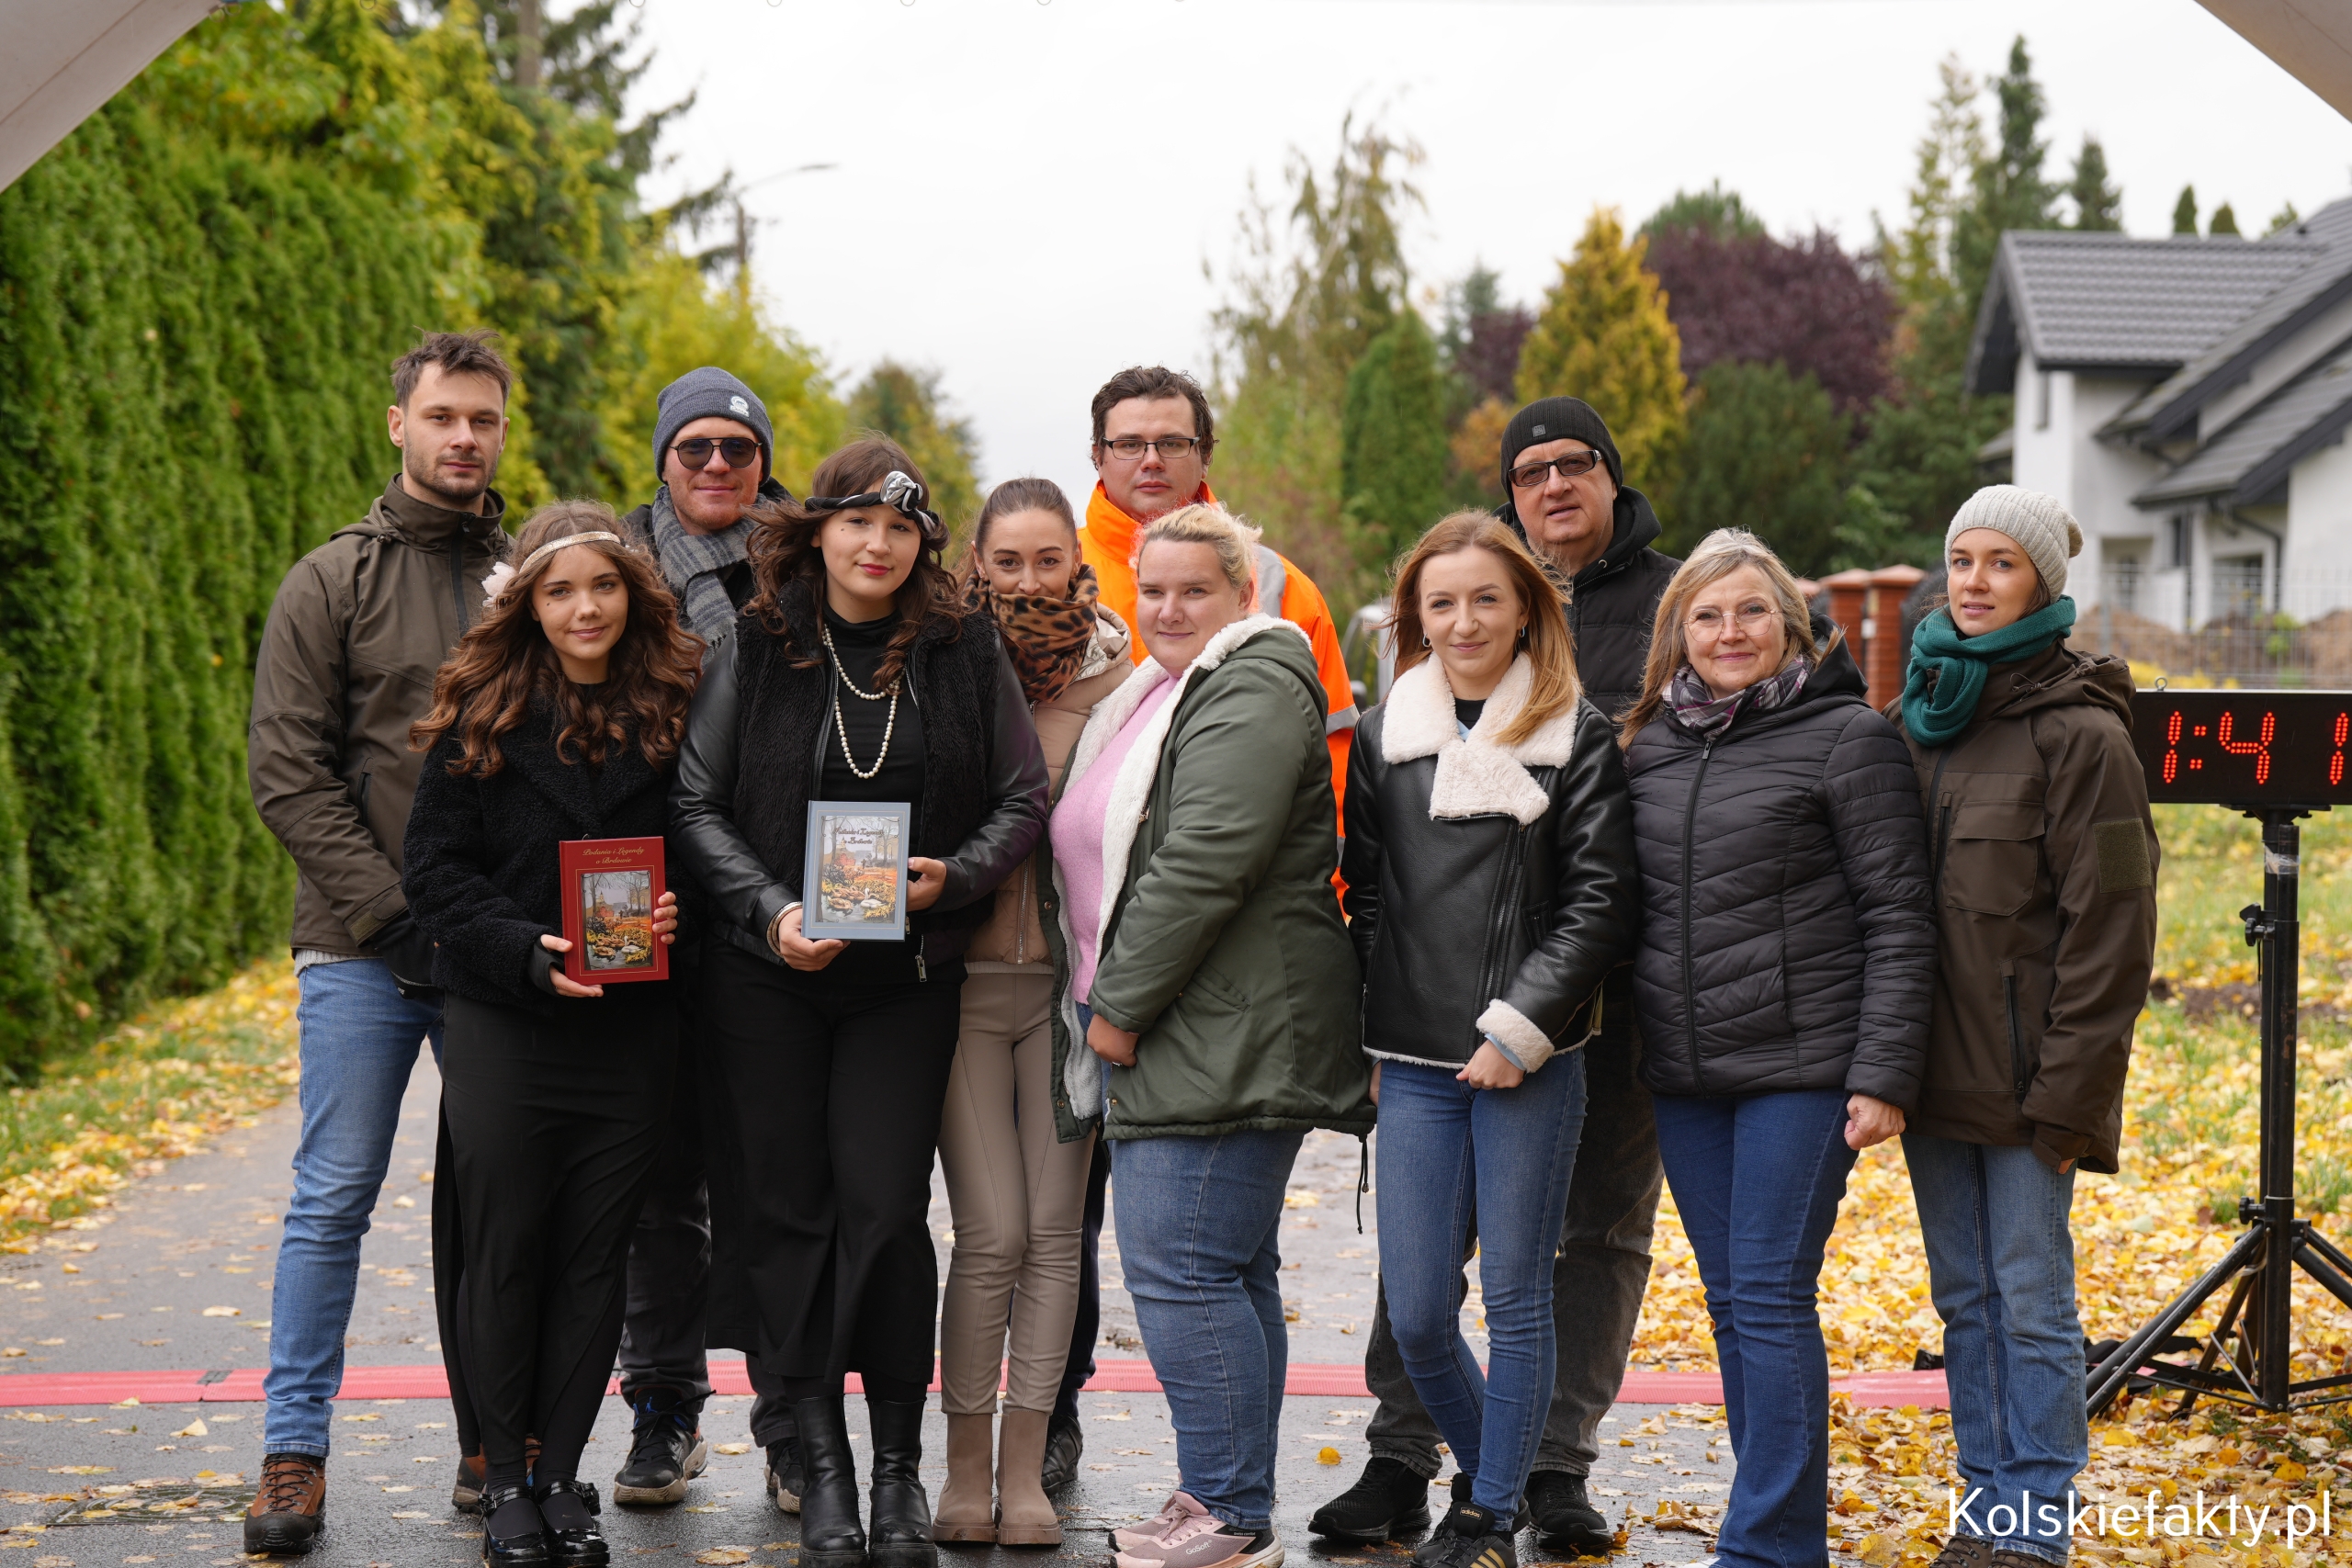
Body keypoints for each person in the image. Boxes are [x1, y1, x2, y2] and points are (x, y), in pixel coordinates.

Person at [670, 438, 1048, 1568]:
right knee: (788, 1215)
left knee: (884, 1214)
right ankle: (820, 1463)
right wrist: (771, 911)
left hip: (905, 981)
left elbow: (1021, 797)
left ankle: (896, 1469)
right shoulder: (758, 641)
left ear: (923, 543)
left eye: (900, 528)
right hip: (768, 980)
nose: (877, 545)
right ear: (818, 530)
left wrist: (955, 878)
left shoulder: (962, 648)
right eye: (856, 523)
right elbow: (696, 803)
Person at [1314, 397, 1678, 1554]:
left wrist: (1524, 1022)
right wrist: (1374, 1033)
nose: (1464, 619)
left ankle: (1501, 1499)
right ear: (1415, 617)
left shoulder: (1591, 715)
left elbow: (1600, 896)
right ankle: (1473, 1469)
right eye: (1442, 602)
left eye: (1486, 599)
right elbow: (1368, 894)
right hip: (1418, 1051)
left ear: (1524, 607)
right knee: (1422, 1302)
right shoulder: (1388, 735)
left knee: (1540, 1279)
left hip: (1548, 1041)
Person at [1050, 364, 1360, 1492]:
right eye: (1127, 440)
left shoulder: (1263, 639)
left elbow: (1212, 853)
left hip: (1200, 1009)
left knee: (1182, 1267)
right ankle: (1223, 1497)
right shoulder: (1074, 583)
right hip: (1146, 1002)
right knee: (1208, 1265)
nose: (1148, 459)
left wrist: (1119, 1011)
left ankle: (1226, 1505)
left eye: (1170, 440)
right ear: (1097, 456)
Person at [243, 330, 514, 1556]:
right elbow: (289, 775)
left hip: (494, 950)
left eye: (483, 419)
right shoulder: (329, 580)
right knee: (333, 1195)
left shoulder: (529, 575)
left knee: (500, 1199)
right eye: (443, 415)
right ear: (398, 423)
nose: (464, 437)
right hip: (361, 948)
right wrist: (397, 915)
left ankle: (495, 1440)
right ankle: (292, 1452)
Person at [1619, 528, 1936, 1568]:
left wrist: (1883, 1075)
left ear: (1792, 625)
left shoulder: (1848, 736)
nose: (1730, 632)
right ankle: (1781, 1532)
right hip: (1688, 1071)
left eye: (1751, 610)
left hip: (1804, 1066)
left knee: (1766, 1292)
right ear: (1678, 634)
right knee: (1731, 1301)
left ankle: (1763, 1547)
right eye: (1706, 615)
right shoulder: (1650, 744)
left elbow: (1900, 915)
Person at [402, 504, 702, 1567]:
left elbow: (707, 845)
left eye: (604, 585)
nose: (585, 607)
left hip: (630, 1034)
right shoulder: (480, 712)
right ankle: (501, 1481)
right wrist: (523, 950)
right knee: (506, 1256)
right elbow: (433, 872)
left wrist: (678, 909)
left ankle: (562, 1476)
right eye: (561, 589)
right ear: (526, 602)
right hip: (506, 1024)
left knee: (592, 1259)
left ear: (633, 593)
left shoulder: (676, 709)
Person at [1893, 488, 2156, 1568]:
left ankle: (2035, 1523)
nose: (1973, 581)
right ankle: (1984, 1507)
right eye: (1962, 559)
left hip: (2029, 1085)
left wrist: (2069, 1101)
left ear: (2042, 582)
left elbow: (2114, 934)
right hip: (1928, 1075)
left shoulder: (2084, 735)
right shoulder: (1920, 718)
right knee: (1965, 1305)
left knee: (2032, 1303)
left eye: (2000, 563)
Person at [607, 367, 797, 1509]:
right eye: (696, 448)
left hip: (768, 916)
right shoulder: (613, 570)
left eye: (739, 447)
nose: (718, 465)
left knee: (771, 1179)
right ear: (663, 459)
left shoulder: (806, 568)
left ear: (765, 461)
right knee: (655, 1187)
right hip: (645, 913)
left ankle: (788, 1419)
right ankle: (663, 1409)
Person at [931, 479, 1131, 1549]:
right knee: (992, 1232)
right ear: (976, 563)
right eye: (1006, 561)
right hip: (964, 991)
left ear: (1076, 563)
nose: (1027, 581)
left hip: (1067, 998)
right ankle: (963, 1467)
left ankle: (1025, 1470)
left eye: (1047, 559)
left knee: (1056, 1237)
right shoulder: (942, 667)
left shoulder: (1125, 685)